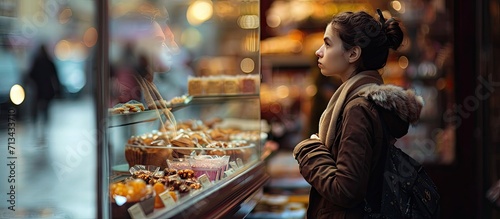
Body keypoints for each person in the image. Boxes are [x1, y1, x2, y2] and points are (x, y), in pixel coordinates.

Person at [293, 10, 424, 218]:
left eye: (327, 44)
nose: (318, 52)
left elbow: (346, 190)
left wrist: (309, 150)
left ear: (353, 54)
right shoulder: (363, 102)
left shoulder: (358, 110)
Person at [27, 44, 61, 141]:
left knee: (37, 108)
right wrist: (58, 89)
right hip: (46, 90)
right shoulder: (48, 62)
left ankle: (37, 124)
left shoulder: (37, 62)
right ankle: (43, 125)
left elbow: (30, 75)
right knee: (45, 109)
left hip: (39, 90)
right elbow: (55, 76)